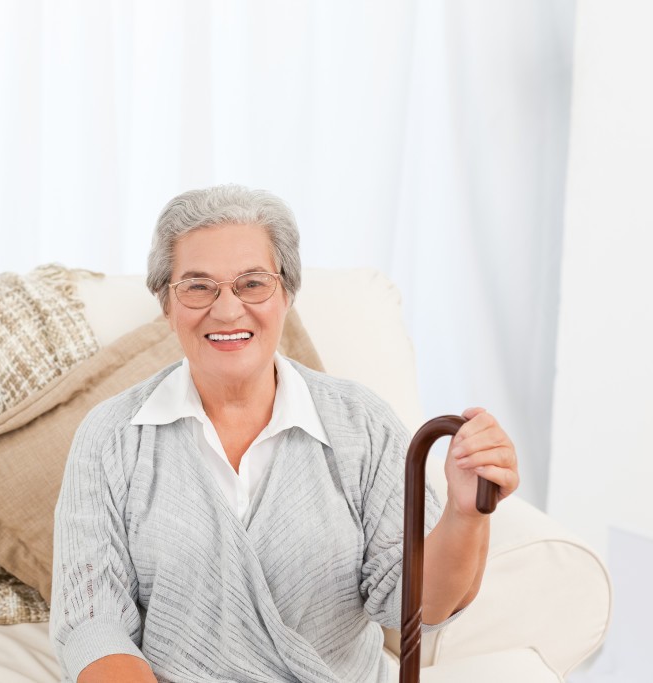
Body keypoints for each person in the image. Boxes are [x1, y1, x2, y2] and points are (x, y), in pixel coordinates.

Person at [50, 185, 519, 683]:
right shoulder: (110, 437)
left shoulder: (361, 423)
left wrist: (465, 516)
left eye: (252, 284)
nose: (227, 310)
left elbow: (417, 605)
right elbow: (93, 624)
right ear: (167, 303)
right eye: (197, 286)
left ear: (287, 294)